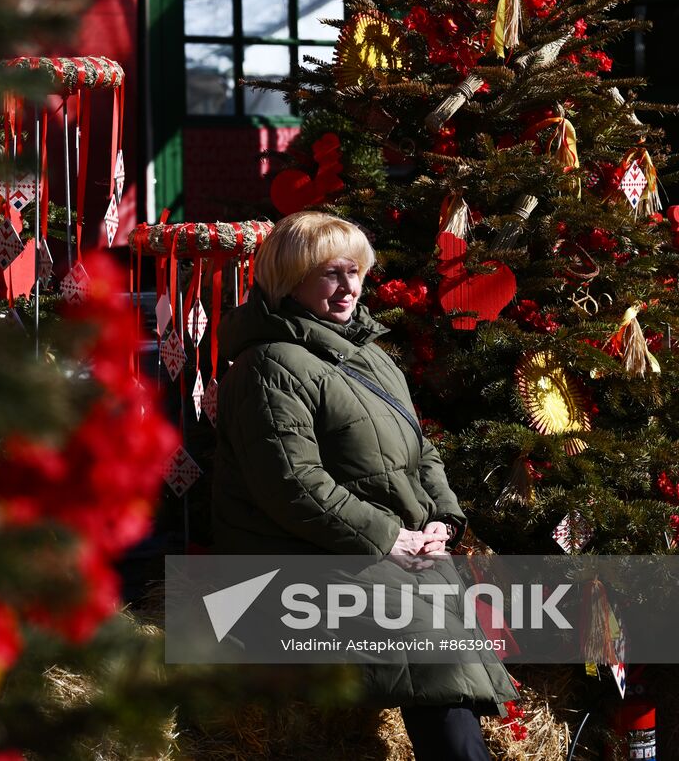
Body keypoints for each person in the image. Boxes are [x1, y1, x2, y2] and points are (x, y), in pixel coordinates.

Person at [212, 211, 517, 761]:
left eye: (355, 271)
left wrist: (441, 522)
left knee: (445, 635)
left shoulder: (372, 357)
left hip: (374, 553)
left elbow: (421, 451)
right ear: (289, 280)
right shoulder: (268, 366)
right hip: (300, 564)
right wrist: (391, 538)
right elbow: (292, 484)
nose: (349, 287)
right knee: (433, 644)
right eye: (330, 273)